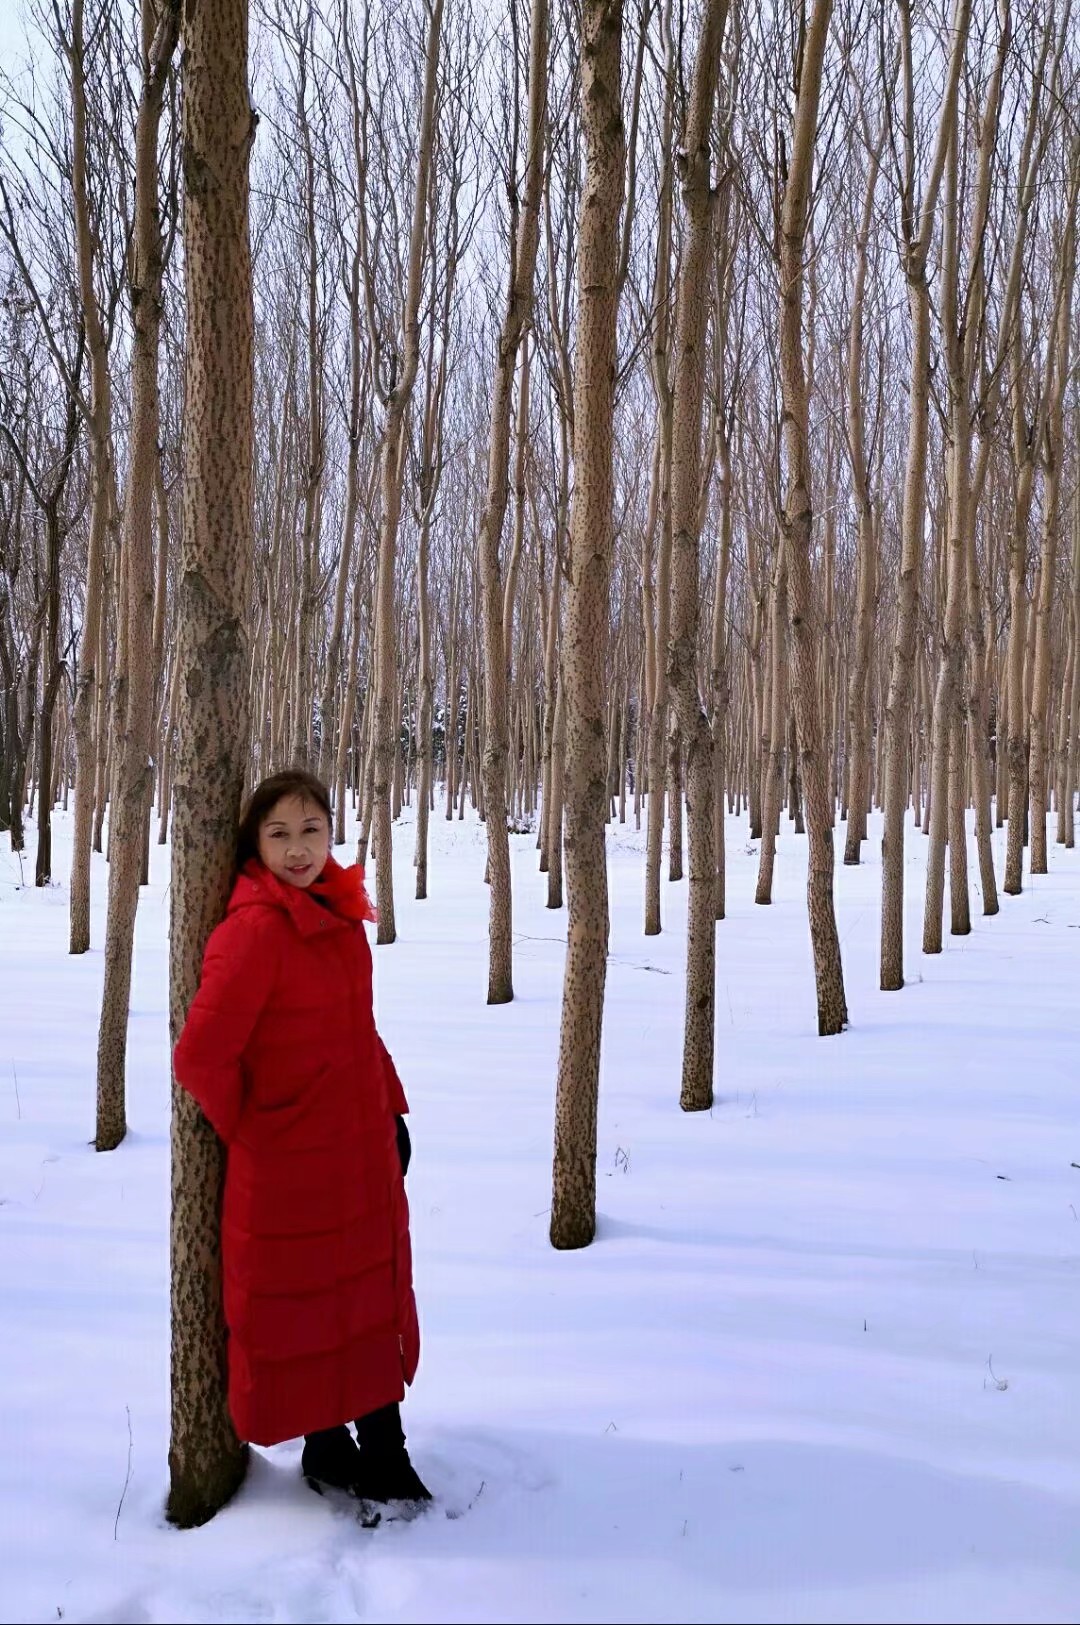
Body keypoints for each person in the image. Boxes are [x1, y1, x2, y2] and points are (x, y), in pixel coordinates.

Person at [173, 768, 430, 1505]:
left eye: (310, 830)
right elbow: (201, 1055)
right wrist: (262, 1124)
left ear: (331, 833)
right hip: (291, 1168)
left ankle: (363, 1448)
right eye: (279, 833)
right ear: (254, 841)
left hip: (357, 1151)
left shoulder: (342, 914)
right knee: (311, 1311)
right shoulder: (253, 929)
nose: (297, 848)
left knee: (364, 1304)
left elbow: (357, 1026)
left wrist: (390, 1109)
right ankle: (353, 1450)